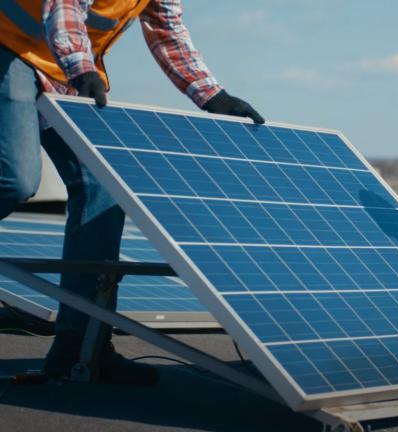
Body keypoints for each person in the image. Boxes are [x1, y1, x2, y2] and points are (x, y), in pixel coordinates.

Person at [0, 0, 264, 384]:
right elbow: (65, 7)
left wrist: (210, 95)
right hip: (9, 51)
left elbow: (166, 30)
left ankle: (82, 347)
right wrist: (82, 67)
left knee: (103, 188)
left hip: (60, 66)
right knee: (15, 179)